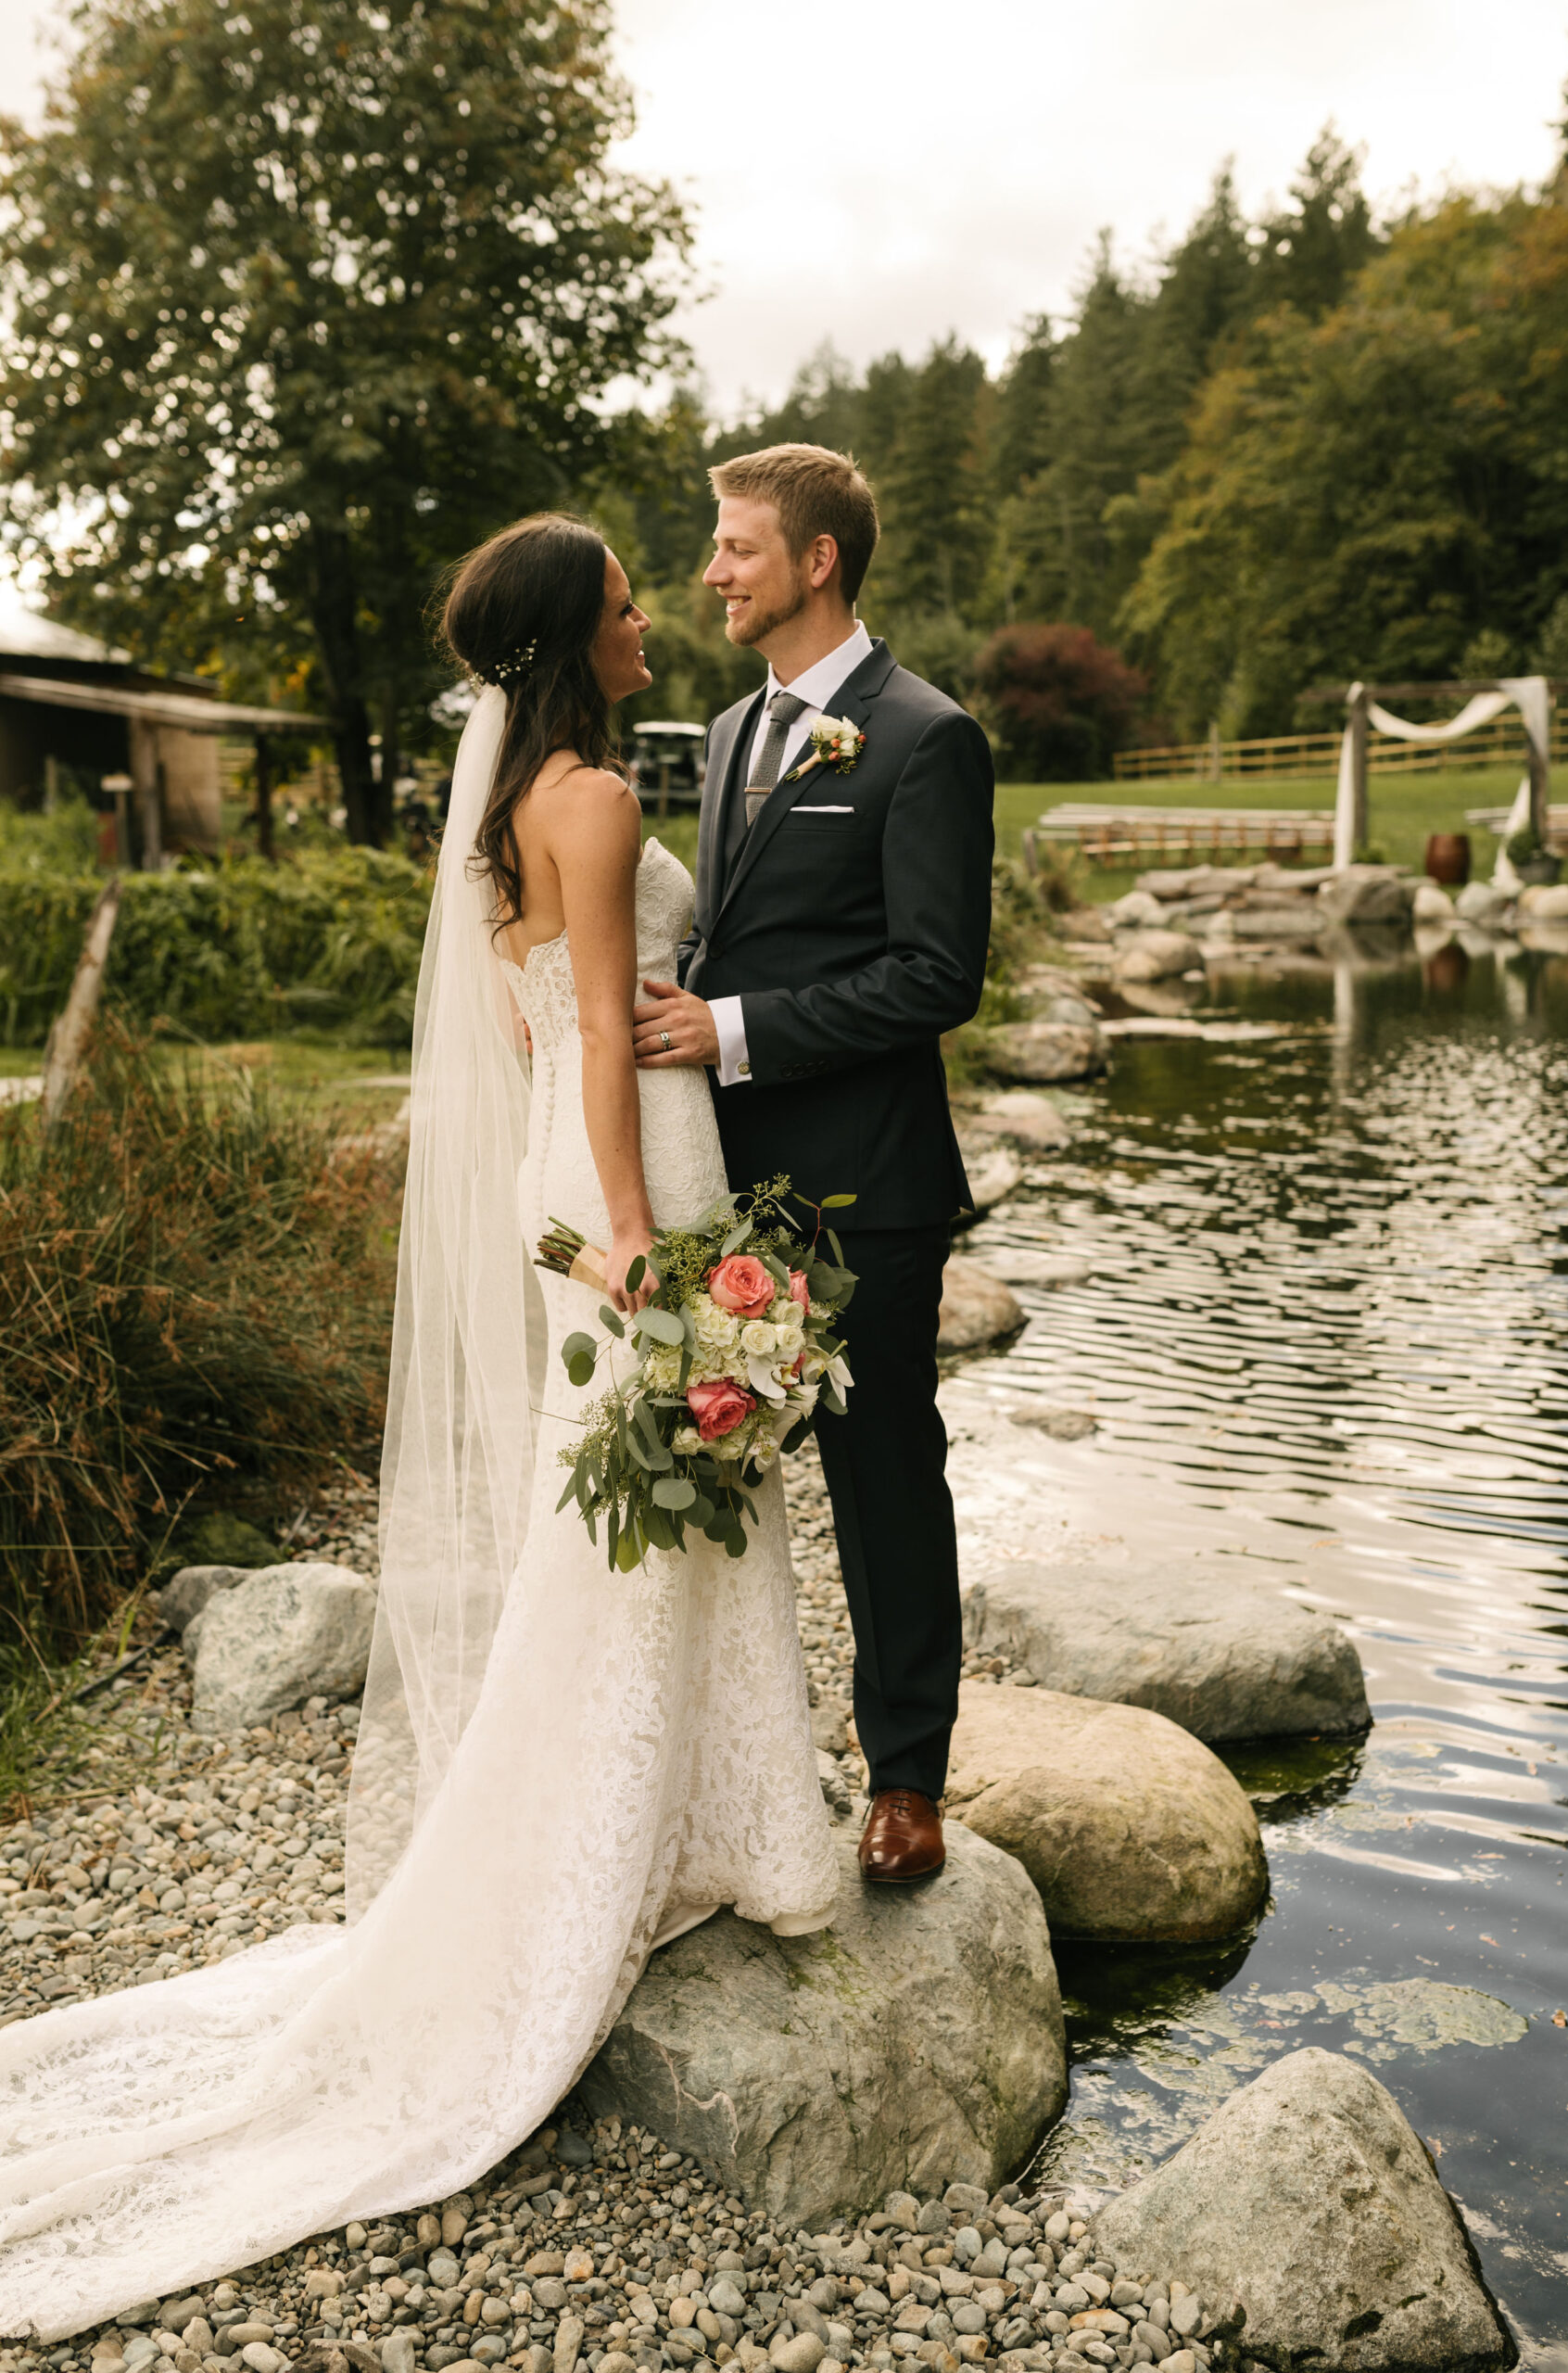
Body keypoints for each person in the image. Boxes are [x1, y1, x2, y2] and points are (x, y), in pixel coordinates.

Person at [0, 514, 837, 2340]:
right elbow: (602, 1045)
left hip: (569, 1177)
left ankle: (701, 1816)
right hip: (629, 1185)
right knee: (660, 1505)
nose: (645, 617)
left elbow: (548, 1038)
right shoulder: (596, 801)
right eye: (624, 597)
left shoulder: (503, 798)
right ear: (571, 631)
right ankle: (650, 1838)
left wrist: (586, 1204)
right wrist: (634, 1242)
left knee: (627, 1509)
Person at [631, 445, 994, 1888]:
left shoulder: (924, 736)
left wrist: (723, 1028)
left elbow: (936, 977)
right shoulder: (727, 732)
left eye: (736, 547)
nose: (713, 571)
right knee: (720, 1461)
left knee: (884, 1473)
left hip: (870, 1190)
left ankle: (909, 1781)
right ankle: (735, 1765)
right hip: (734, 1187)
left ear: (817, 560)